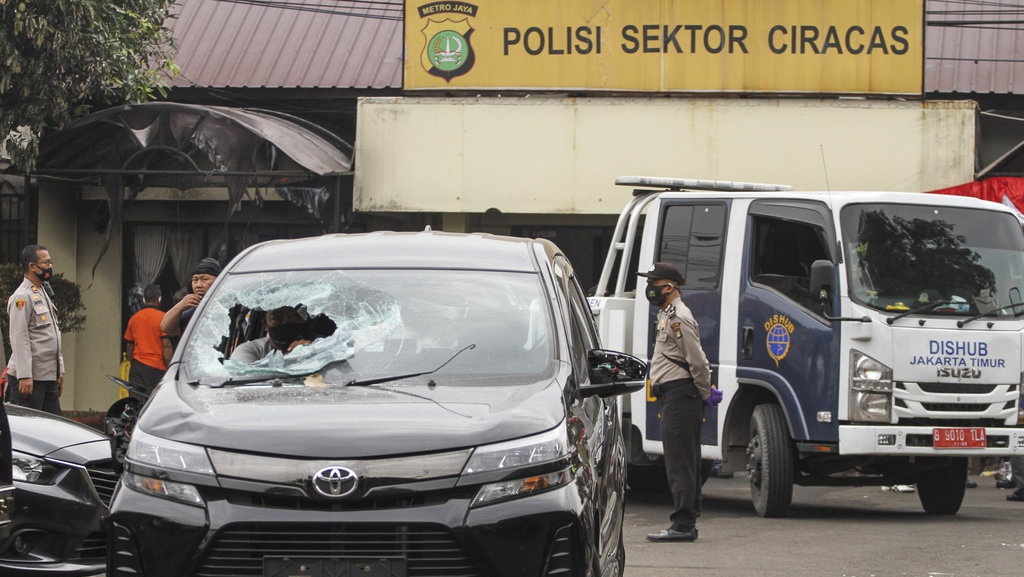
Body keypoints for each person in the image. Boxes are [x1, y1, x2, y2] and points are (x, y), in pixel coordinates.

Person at [639, 262, 720, 543]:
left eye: (654, 283)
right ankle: (686, 522)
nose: (650, 288)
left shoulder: (678, 317)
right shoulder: (667, 313)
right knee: (685, 459)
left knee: (680, 461)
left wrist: (704, 391)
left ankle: (683, 524)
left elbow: (696, 359)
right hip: (678, 394)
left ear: (670, 287)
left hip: (680, 394)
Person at [5, 244, 64, 415]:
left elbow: (53, 334)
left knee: (53, 428)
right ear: (32, 266)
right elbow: (19, 337)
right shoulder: (22, 297)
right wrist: (24, 375)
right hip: (30, 379)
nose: (50, 267)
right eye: (46, 263)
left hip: (48, 376)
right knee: (30, 431)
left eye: (50, 262)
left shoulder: (42, 291)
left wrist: (59, 370)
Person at [123, 284, 172, 389]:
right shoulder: (163, 318)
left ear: (144, 299)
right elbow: (166, 345)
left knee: (137, 402)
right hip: (157, 369)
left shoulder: (134, 318)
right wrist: (171, 367)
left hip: (137, 368)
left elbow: (129, 347)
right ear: (159, 299)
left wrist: (132, 361)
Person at [160, 257, 220, 337]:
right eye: (195, 280)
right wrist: (179, 307)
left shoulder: (229, 303)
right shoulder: (196, 307)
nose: (198, 285)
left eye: (204, 279)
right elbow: (166, 328)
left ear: (219, 280)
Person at [230, 306, 313, 362]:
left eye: (294, 316)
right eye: (277, 318)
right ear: (265, 325)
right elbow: (246, 381)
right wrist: (292, 358)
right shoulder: (249, 350)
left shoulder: (319, 345)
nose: (286, 322)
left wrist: (311, 352)